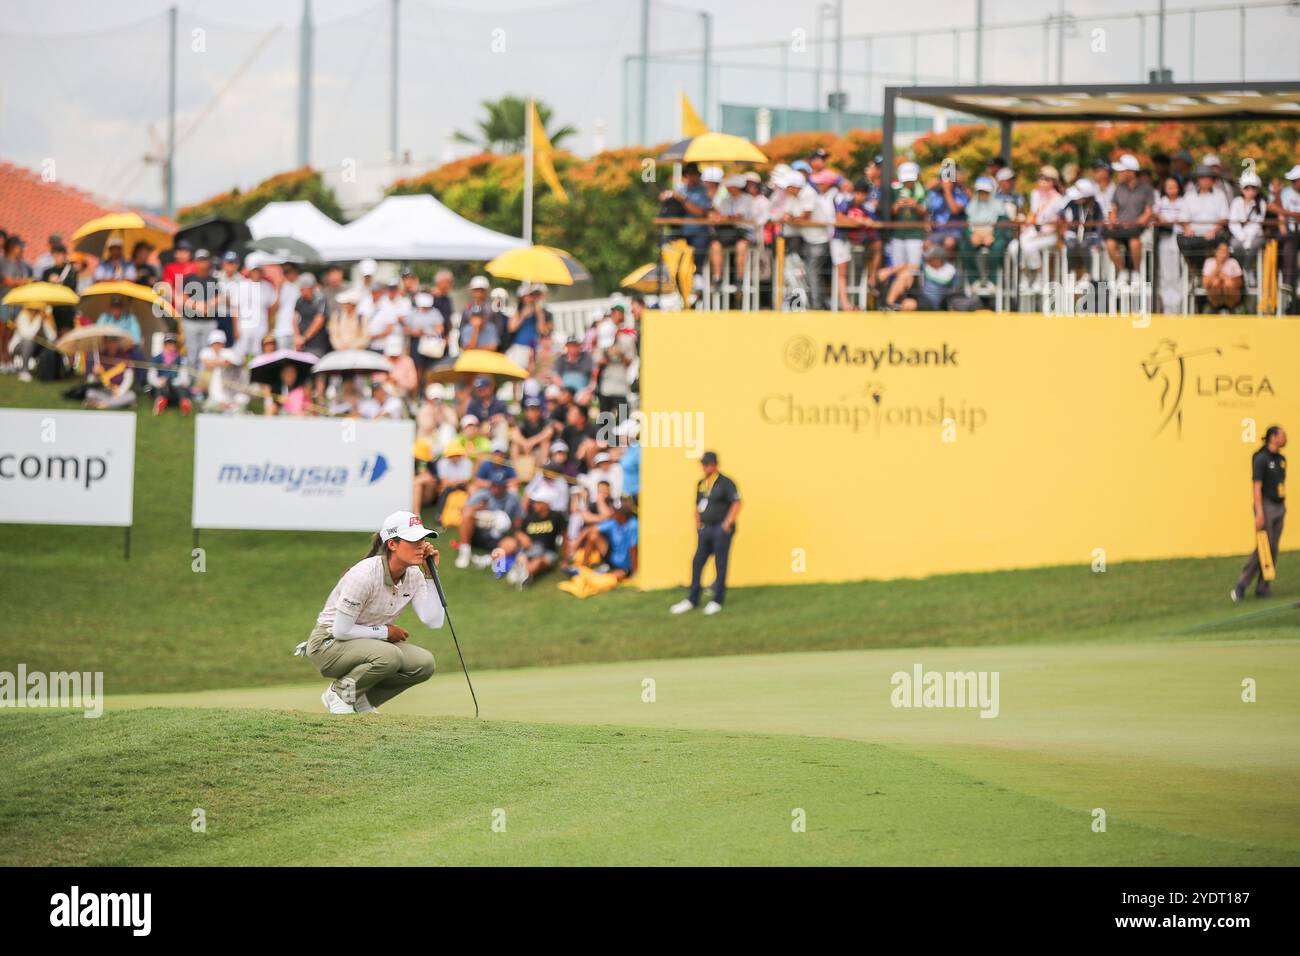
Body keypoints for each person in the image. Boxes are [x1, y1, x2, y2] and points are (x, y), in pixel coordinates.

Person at [300, 511, 442, 714]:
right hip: (327, 644)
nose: (421, 546)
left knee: (423, 663)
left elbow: (433, 620)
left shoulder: (414, 575)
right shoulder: (364, 574)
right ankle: (340, 693)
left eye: (422, 539)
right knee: (390, 655)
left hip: (370, 644)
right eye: (413, 540)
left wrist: (430, 575)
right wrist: (385, 632)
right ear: (392, 544)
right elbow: (341, 631)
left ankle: (361, 700)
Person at [670, 450, 741, 616]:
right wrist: (698, 525)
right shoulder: (701, 483)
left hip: (720, 529)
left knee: (720, 563)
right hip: (706, 528)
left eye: (707, 464)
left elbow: (737, 502)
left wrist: (727, 524)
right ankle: (692, 599)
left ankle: (717, 600)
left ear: (715, 464)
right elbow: (697, 505)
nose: (705, 467)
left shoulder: (725, 482)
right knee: (697, 562)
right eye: (703, 464)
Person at [1231, 426, 1286, 602]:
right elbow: (1256, 487)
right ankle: (1241, 586)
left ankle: (1263, 586)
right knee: (1263, 547)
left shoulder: (1281, 459)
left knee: (1273, 548)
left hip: (1279, 506)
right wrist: (1259, 512)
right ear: (1273, 437)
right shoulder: (1261, 458)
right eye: (1282, 434)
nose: (1285, 437)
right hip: (1266, 506)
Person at [1202, 241, 1243, 313]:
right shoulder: (1209, 262)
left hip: (1231, 296)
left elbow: (1239, 283)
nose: (1223, 254)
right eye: (1221, 251)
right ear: (1216, 252)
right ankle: (1215, 307)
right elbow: (1205, 284)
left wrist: (1225, 277)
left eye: (1226, 251)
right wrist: (1218, 267)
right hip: (1214, 296)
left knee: (1228, 283)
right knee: (1216, 282)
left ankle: (1230, 307)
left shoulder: (1233, 262)